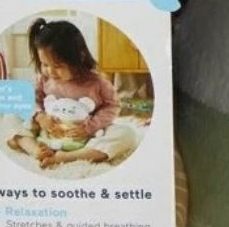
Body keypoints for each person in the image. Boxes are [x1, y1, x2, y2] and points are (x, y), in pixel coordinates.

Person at [7, 17, 135, 167]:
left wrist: (89, 127)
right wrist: (40, 117)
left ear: (79, 57)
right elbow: (33, 99)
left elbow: (112, 106)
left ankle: (68, 157)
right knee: (11, 114)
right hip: (48, 131)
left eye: (58, 66)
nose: (50, 71)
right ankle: (36, 149)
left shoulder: (97, 83)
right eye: (45, 64)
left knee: (126, 134)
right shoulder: (44, 78)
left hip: (83, 136)